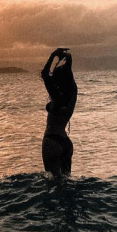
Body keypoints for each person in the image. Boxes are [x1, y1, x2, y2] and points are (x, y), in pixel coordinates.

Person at [41, 48, 77, 179]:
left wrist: (53, 55)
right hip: (66, 143)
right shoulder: (72, 94)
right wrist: (69, 62)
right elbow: (69, 78)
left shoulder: (55, 96)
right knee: (67, 182)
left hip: (52, 141)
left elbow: (45, 74)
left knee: (53, 184)